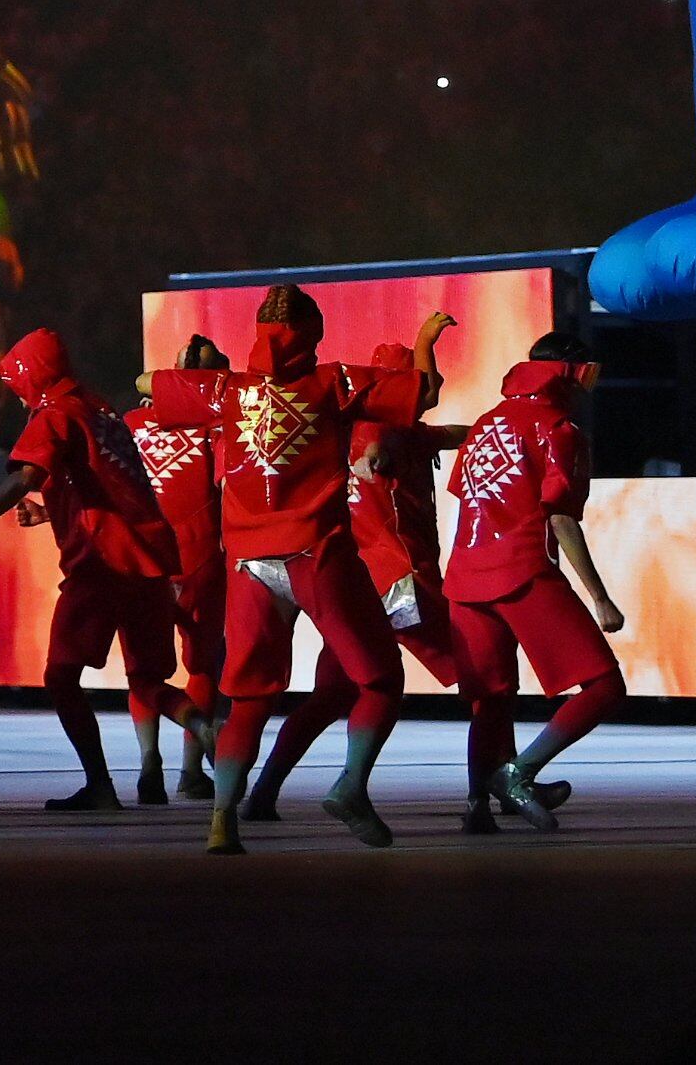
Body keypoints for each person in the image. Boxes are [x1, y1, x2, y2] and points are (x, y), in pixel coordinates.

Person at [140, 286, 445, 853]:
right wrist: (427, 339)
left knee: (250, 698)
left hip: (249, 564)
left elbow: (146, 386)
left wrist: (191, 377)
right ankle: (351, 787)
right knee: (378, 679)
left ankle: (221, 822)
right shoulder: (335, 383)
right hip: (316, 554)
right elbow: (422, 394)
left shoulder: (226, 393)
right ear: (314, 333)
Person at [255, 341, 500, 829]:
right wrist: (374, 460)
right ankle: (487, 799)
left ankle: (262, 793)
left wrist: (490, 429)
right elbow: (382, 447)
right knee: (485, 686)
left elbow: (445, 433)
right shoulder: (387, 430)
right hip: (405, 584)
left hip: (358, 584)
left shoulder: (352, 430)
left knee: (331, 694)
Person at [0, 327, 181, 811]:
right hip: (148, 555)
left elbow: (25, 476)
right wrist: (50, 510)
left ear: (30, 379)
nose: (19, 401)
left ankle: (100, 783)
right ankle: (204, 732)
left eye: (18, 388)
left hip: (101, 563)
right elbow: (104, 483)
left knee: (61, 677)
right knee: (148, 679)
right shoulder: (99, 408)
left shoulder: (54, 414)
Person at [440, 334, 630, 831]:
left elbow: (465, 495)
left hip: (463, 577)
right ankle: (517, 774)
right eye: (586, 373)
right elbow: (561, 518)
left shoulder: (485, 424)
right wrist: (600, 597)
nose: (589, 385)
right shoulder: (558, 429)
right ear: (565, 374)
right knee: (605, 686)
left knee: (490, 699)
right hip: (522, 570)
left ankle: (477, 806)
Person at [122, 336, 231, 802]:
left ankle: (150, 767)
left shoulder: (129, 426)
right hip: (201, 557)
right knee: (202, 665)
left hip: (144, 559)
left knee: (142, 671)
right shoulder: (221, 428)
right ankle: (192, 772)